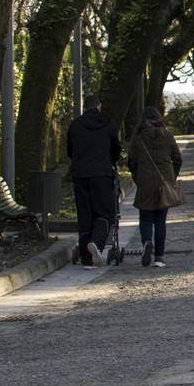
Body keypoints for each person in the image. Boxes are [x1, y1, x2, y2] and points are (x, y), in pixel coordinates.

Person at [66, 94, 122, 269]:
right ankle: (97, 244)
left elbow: (70, 150)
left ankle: (86, 259)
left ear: (84, 107)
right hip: (101, 174)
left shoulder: (75, 125)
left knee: (85, 214)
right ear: (99, 106)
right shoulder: (108, 124)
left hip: (80, 175)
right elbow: (115, 149)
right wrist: (110, 163)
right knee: (105, 213)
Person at [127, 107, 183, 268]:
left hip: (145, 181)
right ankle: (159, 256)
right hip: (164, 180)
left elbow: (131, 162)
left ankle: (146, 243)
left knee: (145, 218)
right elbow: (177, 159)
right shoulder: (167, 135)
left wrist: (138, 178)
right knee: (160, 221)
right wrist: (172, 177)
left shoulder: (138, 137)